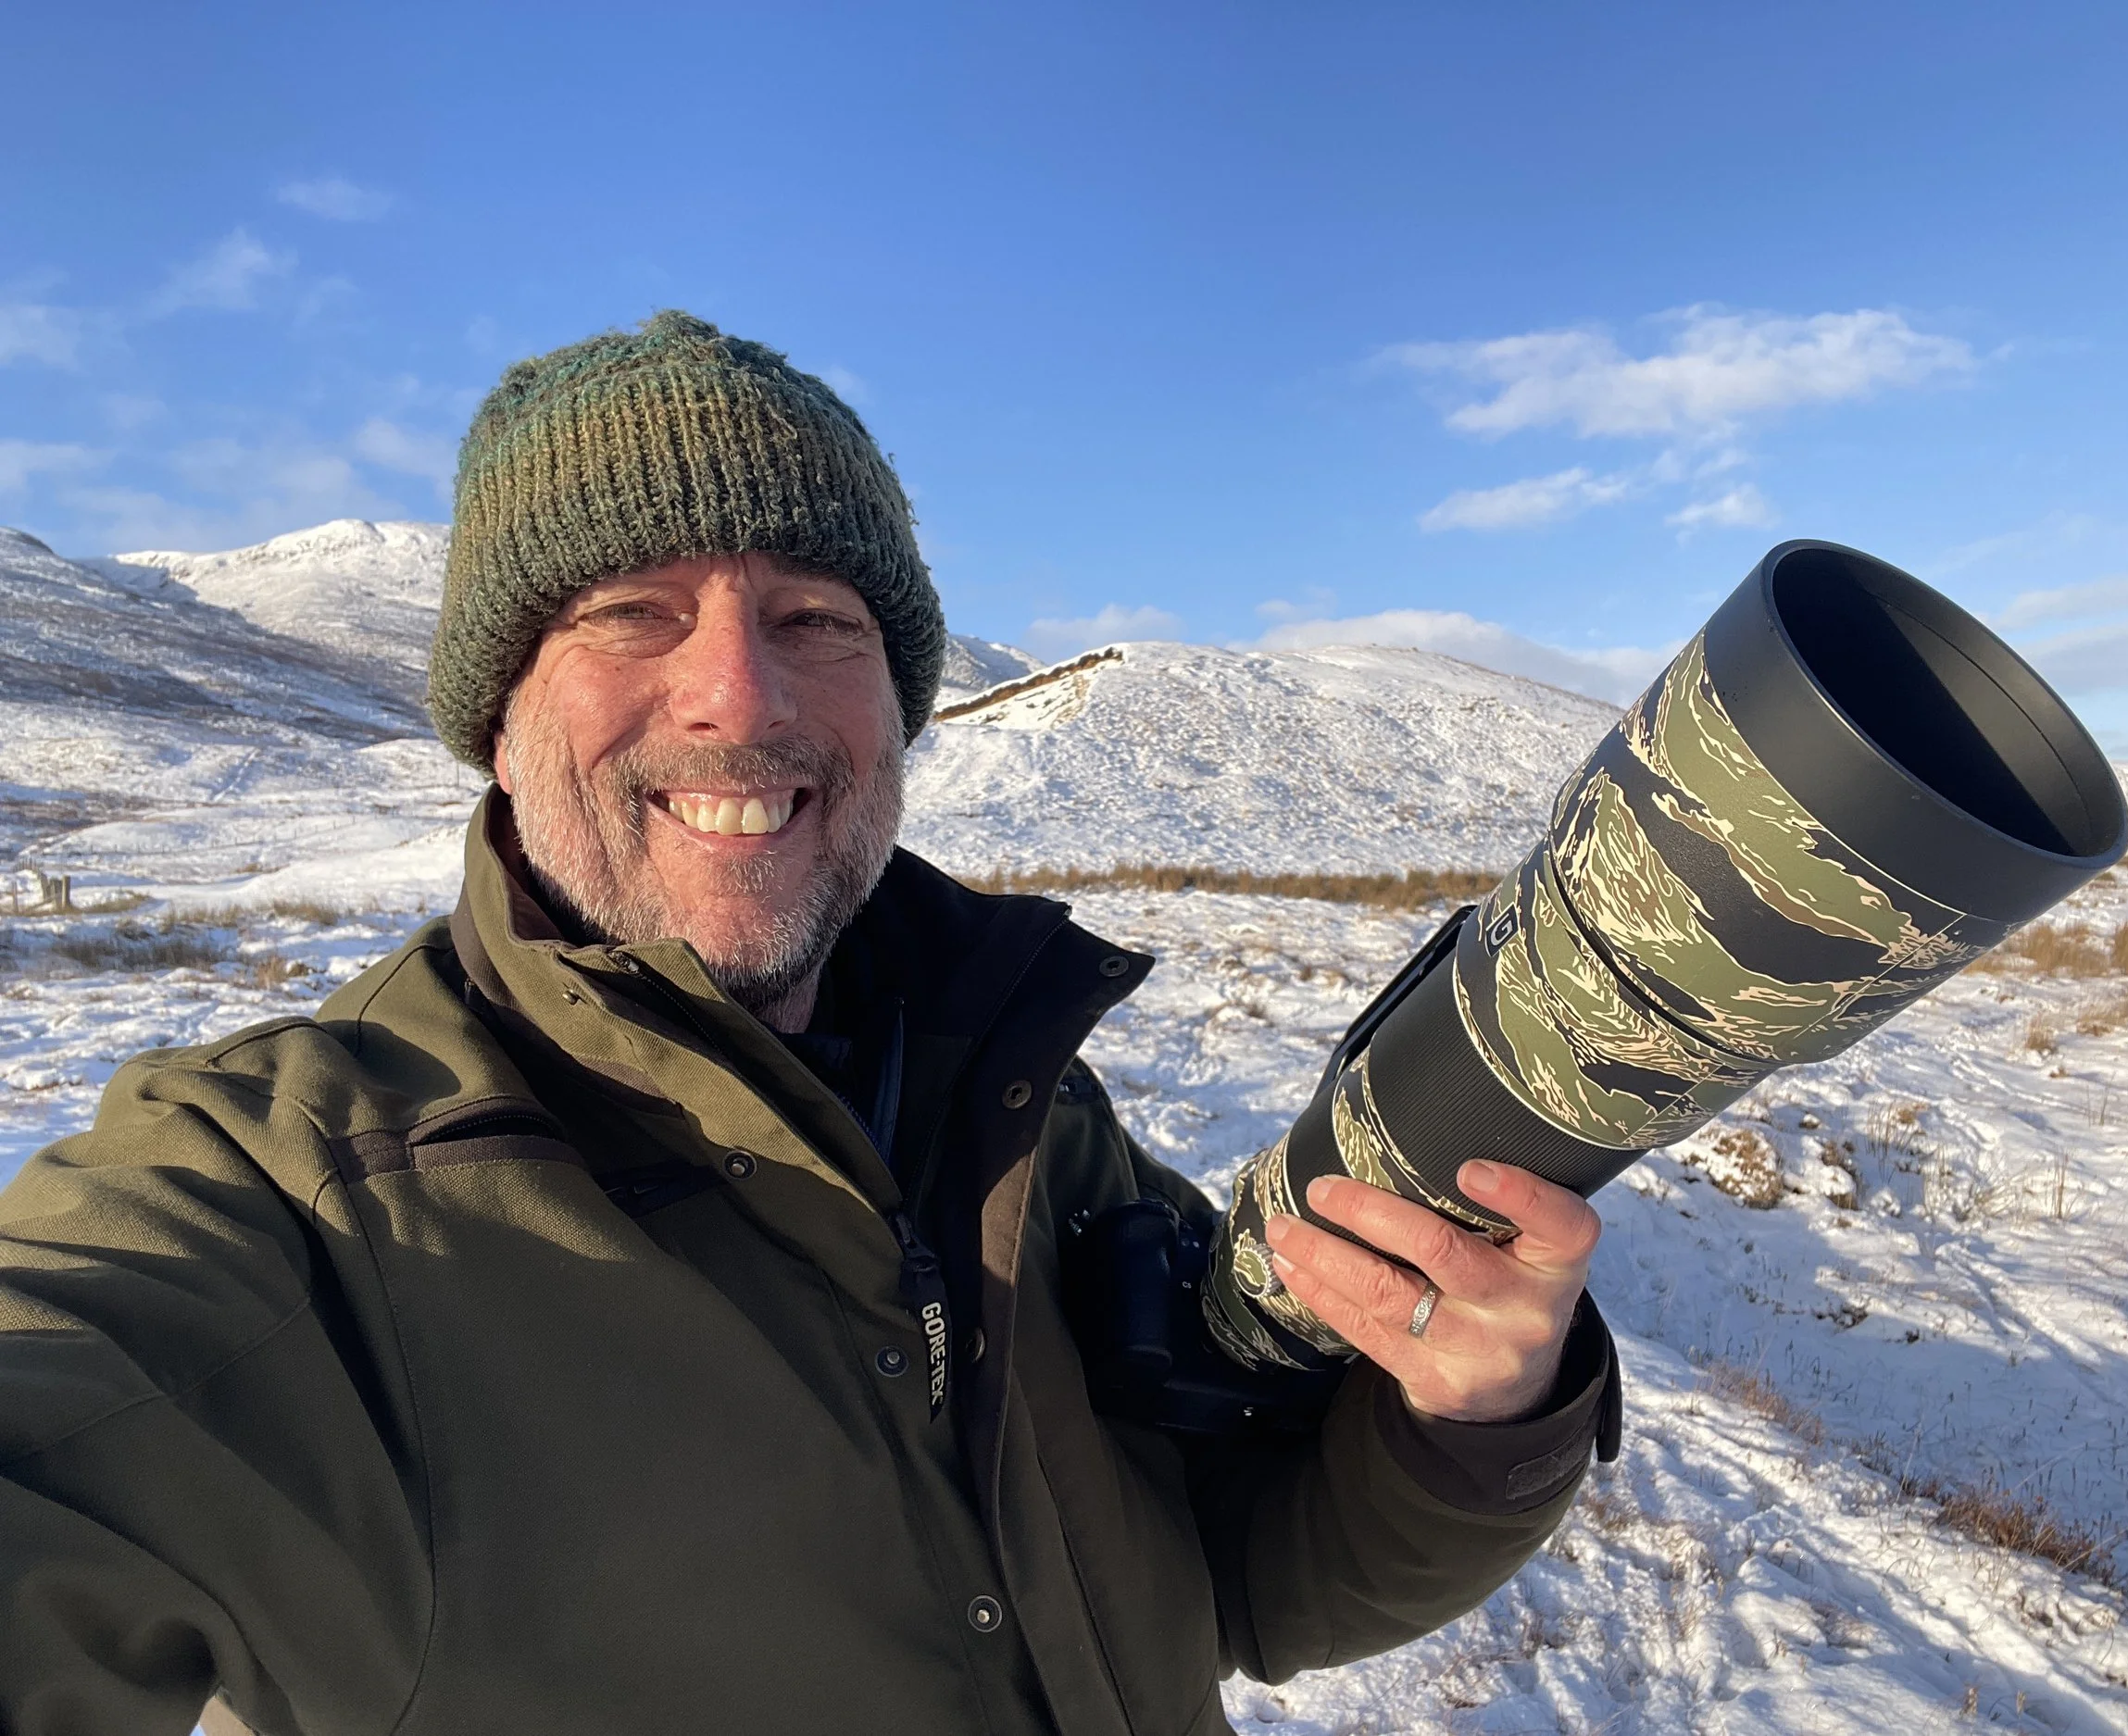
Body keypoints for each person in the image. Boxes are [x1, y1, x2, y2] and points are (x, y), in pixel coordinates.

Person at [0, 312, 1619, 1736]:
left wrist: (1464, 1426)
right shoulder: (297, 1203)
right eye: (631, 610)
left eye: (817, 619)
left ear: (898, 703)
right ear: (499, 722)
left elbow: (1250, 1574)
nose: (744, 697)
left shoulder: (1023, 1109)